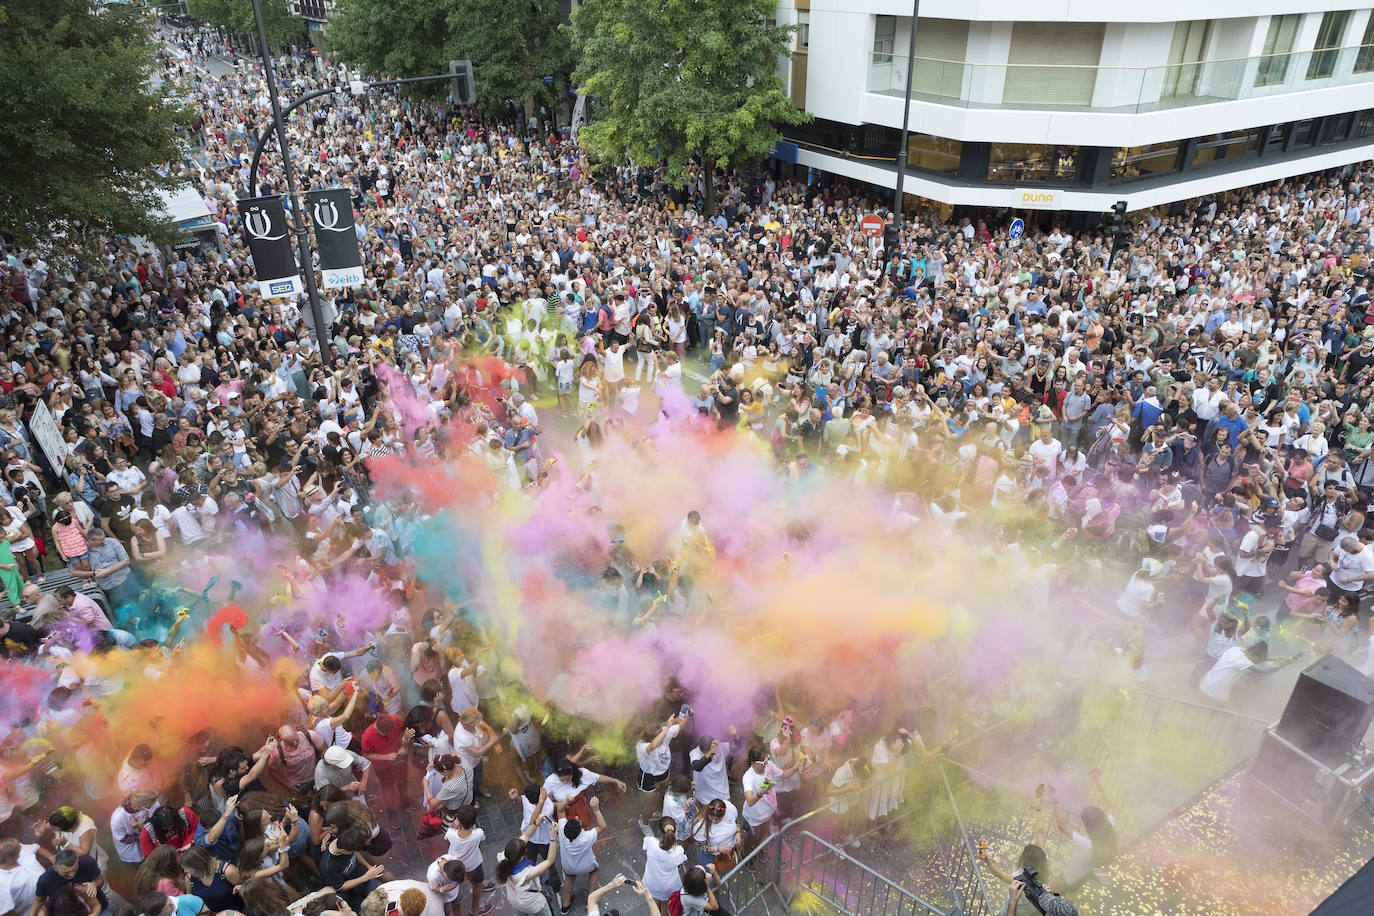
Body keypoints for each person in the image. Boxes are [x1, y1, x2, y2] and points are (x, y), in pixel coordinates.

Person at [556, 796, 606, 915]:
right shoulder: (586, 837)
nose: (577, 817)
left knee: (570, 877)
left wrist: (566, 801)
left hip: (568, 866)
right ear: (579, 830)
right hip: (586, 865)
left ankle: (565, 905)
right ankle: (590, 899)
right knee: (594, 870)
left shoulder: (562, 830)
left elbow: (560, 809)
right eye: (577, 820)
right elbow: (602, 826)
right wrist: (596, 809)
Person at [640, 817, 687, 913]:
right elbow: (683, 858)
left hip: (651, 882)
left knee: (654, 905)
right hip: (669, 886)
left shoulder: (650, 841)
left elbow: (645, 846)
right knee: (665, 904)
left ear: (659, 830)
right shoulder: (678, 851)